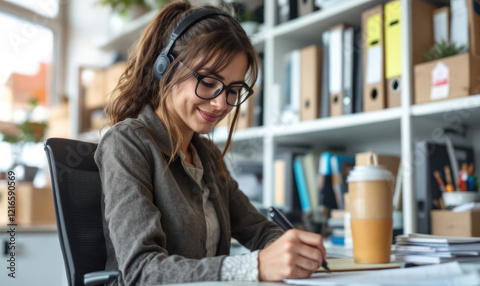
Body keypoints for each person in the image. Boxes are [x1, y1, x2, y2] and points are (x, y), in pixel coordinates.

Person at [95, 0, 327, 284]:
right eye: (207, 81)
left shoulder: (206, 154)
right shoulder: (127, 143)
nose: (220, 104)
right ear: (164, 67)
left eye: (232, 89)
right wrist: (254, 267)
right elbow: (142, 271)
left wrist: (293, 250)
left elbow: (259, 230)